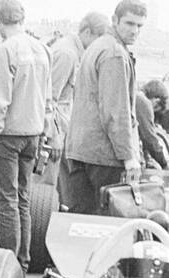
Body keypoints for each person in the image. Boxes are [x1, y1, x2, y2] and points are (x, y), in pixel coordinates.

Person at [0, 0, 49, 272]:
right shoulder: (41, 49)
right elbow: (48, 98)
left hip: (8, 136)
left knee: (5, 201)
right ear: (22, 18)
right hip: (34, 133)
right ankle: (23, 260)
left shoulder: (5, 50)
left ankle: (8, 265)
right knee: (23, 199)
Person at [62, 0, 146, 215]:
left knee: (82, 221)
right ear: (115, 20)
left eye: (139, 26)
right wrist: (129, 156)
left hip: (80, 149)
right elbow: (115, 112)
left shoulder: (97, 46)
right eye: (129, 23)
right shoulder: (114, 53)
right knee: (108, 227)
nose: (134, 31)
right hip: (103, 155)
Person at [47, 11, 108, 187]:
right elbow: (50, 99)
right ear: (87, 32)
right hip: (54, 136)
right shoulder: (67, 54)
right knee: (46, 193)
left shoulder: (75, 52)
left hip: (64, 131)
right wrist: (55, 136)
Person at [135, 80, 169, 168]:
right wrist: (164, 164)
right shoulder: (143, 102)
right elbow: (149, 138)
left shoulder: (134, 96)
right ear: (157, 102)